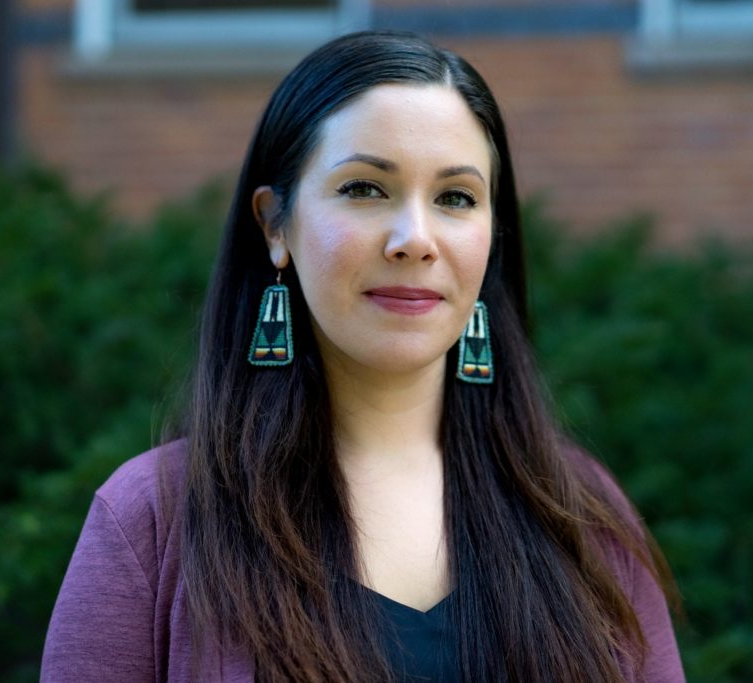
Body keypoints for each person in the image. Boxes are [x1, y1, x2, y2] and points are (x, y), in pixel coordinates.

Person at [41, 30, 684, 683]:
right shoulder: (153, 519)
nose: (415, 238)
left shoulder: (582, 517)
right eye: (365, 189)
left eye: (455, 198)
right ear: (274, 224)